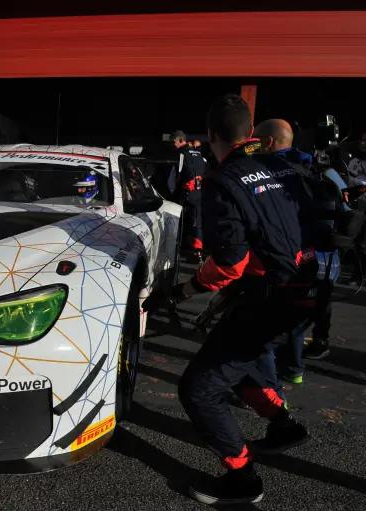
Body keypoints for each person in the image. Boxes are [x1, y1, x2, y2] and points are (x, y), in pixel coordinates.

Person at [143, 95, 321, 505]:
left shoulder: (223, 180)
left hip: (273, 298)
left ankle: (243, 480)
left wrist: (182, 292)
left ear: (210, 135)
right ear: (250, 129)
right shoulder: (281, 163)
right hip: (310, 288)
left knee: (200, 388)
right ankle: (284, 425)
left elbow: (229, 263)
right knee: (237, 361)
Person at [254, 119, 338, 367]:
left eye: (256, 141)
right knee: (309, 307)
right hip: (326, 254)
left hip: (289, 257)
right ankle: (306, 356)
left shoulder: (267, 169)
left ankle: (271, 382)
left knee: (272, 319)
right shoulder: (322, 169)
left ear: (268, 142)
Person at [171, 130, 208, 263]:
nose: (173, 145)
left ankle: (175, 249)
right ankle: (197, 252)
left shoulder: (181, 154)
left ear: (181, 140)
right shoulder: (199, 154)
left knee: (177, 219)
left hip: (184, 192)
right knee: (196, 221)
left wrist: (175, 191)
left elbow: (176, 176)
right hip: (198, 192)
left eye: (173, 142)